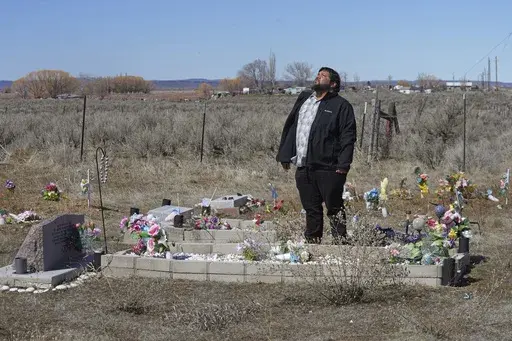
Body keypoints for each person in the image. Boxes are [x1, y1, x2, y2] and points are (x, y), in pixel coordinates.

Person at [276, 67, 357, 244]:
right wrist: (285, 154)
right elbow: (291, 127)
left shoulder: (341, 106)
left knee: (334, 208)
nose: (318, 77)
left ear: (333, 84)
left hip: (329, 167)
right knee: (311, 208)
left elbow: (348, 137)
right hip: (304, 165)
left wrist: (343, 165)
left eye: (323, 76)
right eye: (318, 75)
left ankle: (341, 245)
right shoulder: (305, 99)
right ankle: (313, 243)